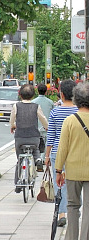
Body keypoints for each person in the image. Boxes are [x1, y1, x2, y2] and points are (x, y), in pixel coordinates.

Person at [55, 82, 89, 239]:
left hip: (73, 171)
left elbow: (62, 148)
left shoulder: (70, 121)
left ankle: (72, 237)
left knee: (73, 206)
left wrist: (58, 170)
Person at [44, 80, 77, 227]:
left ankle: (61, 213)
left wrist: (46, 155)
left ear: (61, 95)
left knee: (60, 184)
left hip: (57, 152)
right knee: (74, 183)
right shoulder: (79, 112)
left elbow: (51, 135)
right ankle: (74, 212)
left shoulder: (55, 112)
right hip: (75, 152)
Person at [10, 84, 48, 193]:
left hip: (20, 137)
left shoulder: (16, 106)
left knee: (20, 159)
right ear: (32, 95)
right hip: (33, 136)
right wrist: (46, 127)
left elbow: (12, 119)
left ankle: (18, 183)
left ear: (20, 95)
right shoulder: (36, 106)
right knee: (35, 149)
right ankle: (38, 159)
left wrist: (13, 126)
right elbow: (43, 118)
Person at [32, 83, 54, 170]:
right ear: (46, 91)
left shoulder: (33, 102)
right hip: (47, 127)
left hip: (36, 127)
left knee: (37, 144)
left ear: (38, 91)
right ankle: (44, 158)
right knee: (46, 144)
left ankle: (38, 159)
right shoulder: (50, 102)